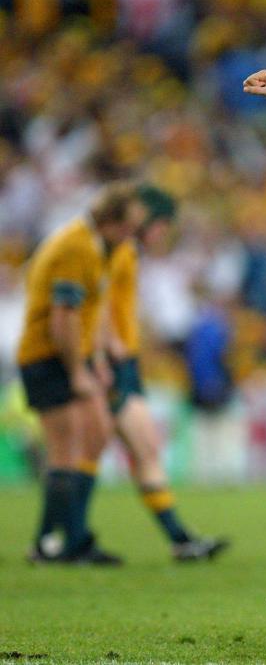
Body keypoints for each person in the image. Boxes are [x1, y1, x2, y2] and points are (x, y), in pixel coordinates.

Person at [19, 181, 147, 564]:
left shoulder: (96, 247)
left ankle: (66, 539)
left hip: (72, 356)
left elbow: (96, 308)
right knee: (65, 450)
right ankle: (54, 543)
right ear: (110, 221)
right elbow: (64, 318)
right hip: (49, 357)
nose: (130, 237)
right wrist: (77, 370)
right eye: (127, 227)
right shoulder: (76, 248)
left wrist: (99, 361)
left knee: (96, 434)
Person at [104, 184, 229, 561]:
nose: (164, 234)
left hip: (118, 362)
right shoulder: (121, 256)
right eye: (162, 225)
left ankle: (180, 539)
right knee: (84, 453)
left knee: (140, 448)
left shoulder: (133, 257)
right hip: (108, 363)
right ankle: (55, 541)